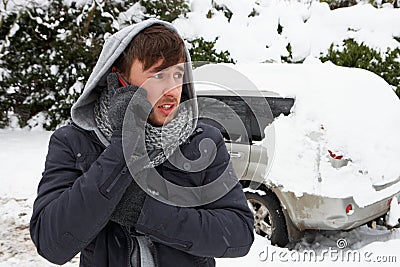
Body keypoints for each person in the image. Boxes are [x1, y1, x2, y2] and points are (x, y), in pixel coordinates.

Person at [30, 19, 254, 267]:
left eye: (178, 74)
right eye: (158, 75)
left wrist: (144, 211)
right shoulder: (74, 142)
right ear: (118, 80)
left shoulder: (204, 141)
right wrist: (124, 144)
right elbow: (51, 243)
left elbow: (239, 234)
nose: (172, 90)